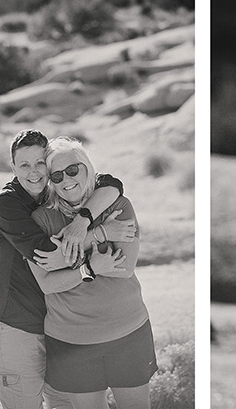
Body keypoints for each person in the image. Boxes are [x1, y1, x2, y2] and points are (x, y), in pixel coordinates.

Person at [0, 129, 135, 408]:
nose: (33, 172)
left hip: (59, 330)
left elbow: (110, 183)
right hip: (17, 329)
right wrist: (102, 233)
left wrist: (82, 221)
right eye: (24, 165)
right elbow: (51, 255)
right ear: (13, 168)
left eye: (39, 163)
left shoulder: (56, 188)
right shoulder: (7, 204)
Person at [29, 136, 156, 409]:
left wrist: (69, 255)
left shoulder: (118, 205)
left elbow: (124, 267)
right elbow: (47, 283)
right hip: (72, 341)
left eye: (72, 170)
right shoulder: (40, 220)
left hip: (128, 332)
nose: (66, 180)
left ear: (87, 167)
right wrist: (97, 250)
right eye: (57, 175)